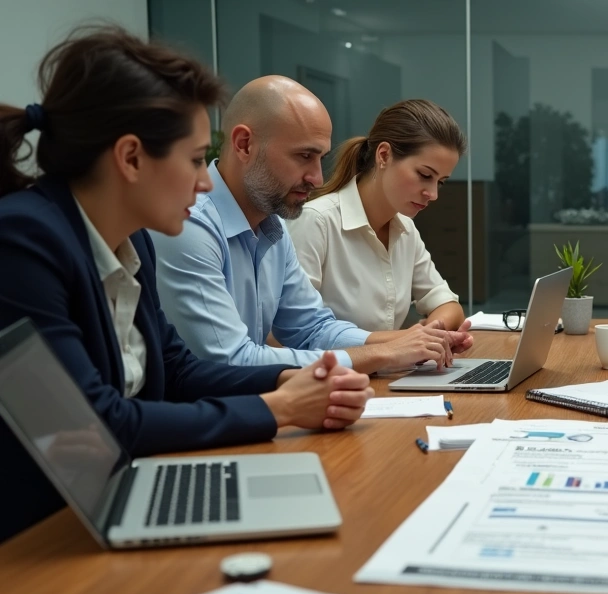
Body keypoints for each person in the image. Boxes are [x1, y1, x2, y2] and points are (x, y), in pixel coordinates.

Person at [0, 27, 373, 542]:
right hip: (39, 535)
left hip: (110, 497)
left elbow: (176, 372)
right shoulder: (23, 240)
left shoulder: (135, 244)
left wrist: (285, 383)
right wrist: (276, 409)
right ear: (131, 158)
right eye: (196, 160)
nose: (204, 183)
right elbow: (95, 425)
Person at [150, 77, 473, 374]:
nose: (318, 178)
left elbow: (311, 328)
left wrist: (408, 344)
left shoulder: (273, 226)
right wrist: (384, 354)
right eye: (304, 156)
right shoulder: (189, 224)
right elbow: (230, 360)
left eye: (320, 158)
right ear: (245, 145)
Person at [286, 99, 466, 333]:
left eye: (440, 182)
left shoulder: (405, 229)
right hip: (333, 370)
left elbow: (447, 304)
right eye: (424, 175)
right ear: (383, 155)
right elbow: (290, 334)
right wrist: (407, 343)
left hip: (390, 370)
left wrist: (429, 336)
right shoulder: (315, 222)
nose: (432, 194)